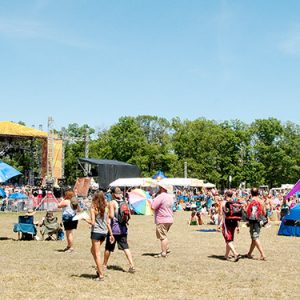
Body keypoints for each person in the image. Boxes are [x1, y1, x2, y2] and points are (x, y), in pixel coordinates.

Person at [103, 187, 135, 273]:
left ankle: (104, 265)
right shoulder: (124, 202)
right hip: (123, 229)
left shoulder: (112, 203)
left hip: (114, 229)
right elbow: (129, 216)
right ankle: (132, 265)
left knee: (108, 248)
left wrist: (108, 215)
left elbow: (112, 216)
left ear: (113, 194)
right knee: (125, 247)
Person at [84, 191, 114, 281]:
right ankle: (98, 268)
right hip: (104, 233)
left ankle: (101, 275)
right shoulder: (106, 207)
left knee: (97, 253)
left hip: (96, 233)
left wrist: (84, 219)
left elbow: (93, 223)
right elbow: (108, 221)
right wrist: (111, 234)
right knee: (92, 250)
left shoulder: (93, 208)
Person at [151, 183, 174, 258]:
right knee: (164, 235)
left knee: (162, 237)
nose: (158, 188)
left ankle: (164, 253)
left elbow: (153, 207)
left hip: (162, 219)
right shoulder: (170, 197)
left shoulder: (160, 197)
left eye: (160, 187)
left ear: (162, 188)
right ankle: (166, 249)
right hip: (169, 218)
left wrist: (153, 198)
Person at [219, 191, 241, 262]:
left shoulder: (223, 203)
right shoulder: (234, 202)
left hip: (226, 221)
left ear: (225, 195)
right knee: (229, 239)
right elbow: (237, 214)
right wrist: (238, 226)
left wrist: (219, 224)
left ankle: (235, 253)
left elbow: (220, 214)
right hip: (234, 222)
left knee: (228, 239)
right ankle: (226, 255)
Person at [246, 187, 266, 261]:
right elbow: (264, 212)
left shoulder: (251, 200)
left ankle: (263, 254)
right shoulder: (261, 201)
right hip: (259, 220)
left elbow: (246, 210)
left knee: (255, 237)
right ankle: (249, 254)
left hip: (253, 221)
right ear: (258, 193)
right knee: (254, 237)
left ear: (251, 193)